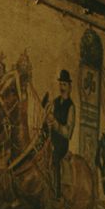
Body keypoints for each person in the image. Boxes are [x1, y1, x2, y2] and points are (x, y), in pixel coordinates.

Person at [44, 69, 75, 198]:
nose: (62, 87)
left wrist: (55, 124)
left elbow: (68, 132)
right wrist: (47, 121)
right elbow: (48, 118)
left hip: (61, 144)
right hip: (51, 139)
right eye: (61, 84)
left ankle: (56, 194)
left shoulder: (71, 107)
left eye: (65, 85)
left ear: (69, 87)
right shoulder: (55, 102)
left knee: (55, 157)